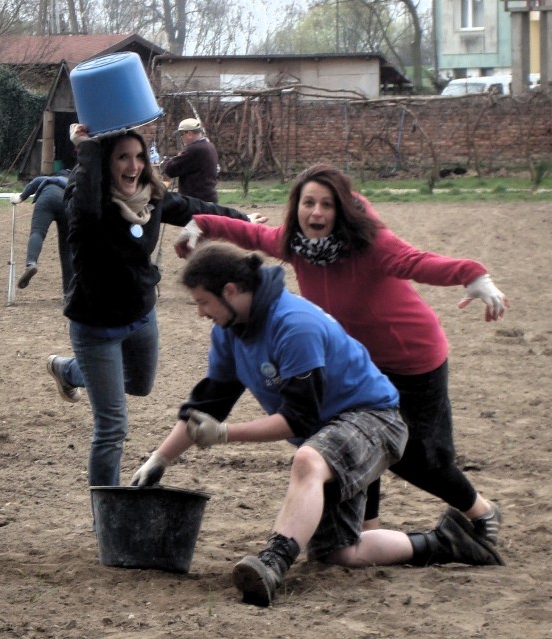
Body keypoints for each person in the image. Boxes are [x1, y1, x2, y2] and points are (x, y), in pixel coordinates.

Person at [131, 242, 504, 607]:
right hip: (330, 436)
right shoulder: (229, 332)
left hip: (376, 420)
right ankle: (447, 542)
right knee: (340, 552)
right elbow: (206, 407)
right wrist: (158, 462)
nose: (199, 312)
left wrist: (225, 435)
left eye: (202, 301)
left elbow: (298, 419)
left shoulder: (294, 325)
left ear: (231, 291)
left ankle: (273, 561)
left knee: (308, 460)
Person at [174, 163, 510, 548]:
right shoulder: (294, 243)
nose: (316, 213)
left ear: (342, 210)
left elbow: (417, 262)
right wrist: (201, 223)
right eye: (308, 203)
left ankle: (482, 511)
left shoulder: (370, 243)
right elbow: (252, 233)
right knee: (353, 436)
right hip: (355, 360)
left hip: (411, 357)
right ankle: (369, 529)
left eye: (327, 205)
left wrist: (472, 274)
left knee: (416, 456)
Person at [45, 124, 262, 489]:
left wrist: (242, 220)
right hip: (96, 327)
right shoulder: (87, 202)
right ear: (104, 162)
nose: (132, 165)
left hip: (141, 316)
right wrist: (87, 150)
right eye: (122, 157)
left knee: (141, 385)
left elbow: (196, 208)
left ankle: (70, 371)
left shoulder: (152, 197)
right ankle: (108, 517)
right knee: (112, 429)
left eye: (139, 157)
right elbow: (83, 210)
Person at [9, 171, 74, 295]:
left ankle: (31, 263)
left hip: (46, 199)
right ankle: (68, 294)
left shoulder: (47, 179)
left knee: (37, 232)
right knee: (67, 250)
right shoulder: (72, 183)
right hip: (67, 203)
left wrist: (18, 198)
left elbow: (31, 187)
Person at [160, 118, 220, 202]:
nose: (181, 137)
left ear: (189, 134)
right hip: (208, 197)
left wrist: (164, 162)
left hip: (197, 200)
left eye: (182, 134)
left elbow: (171, 169)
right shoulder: (209, 146)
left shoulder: (195, 149)